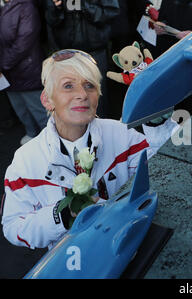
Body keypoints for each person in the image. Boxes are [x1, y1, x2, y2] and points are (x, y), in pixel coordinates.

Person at [1, 49, 178, 249]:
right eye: (68, 86)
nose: (82, 95)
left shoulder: (122, 134)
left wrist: (159, 127)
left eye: (89, 85)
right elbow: (13, 227)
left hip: (127, 247)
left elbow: (166, 177)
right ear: (47, 100)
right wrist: (62, 214)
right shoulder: (25, 161)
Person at [43, 0, 120, 118]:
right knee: (71, 99)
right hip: (67, 54)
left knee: (97, 99)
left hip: (95, 52)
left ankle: (101, 134)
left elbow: (111, 14)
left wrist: (84, 5)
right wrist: (57, 7)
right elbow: (50, 21)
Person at [0, 0, 49, 145]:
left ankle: (53, 144)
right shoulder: (2, 6)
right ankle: (32, 135)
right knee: (21, 110)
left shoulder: (26, 6)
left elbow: (23, 43)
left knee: (40, 112)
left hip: (27, 70)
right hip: (7, 74)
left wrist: (2, 64)